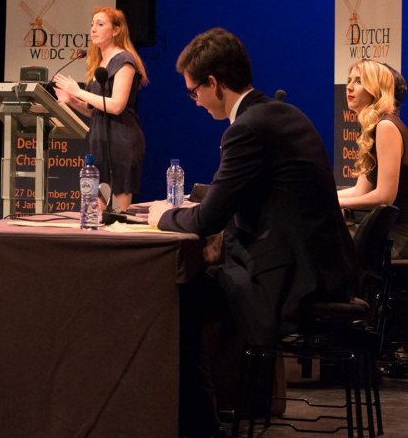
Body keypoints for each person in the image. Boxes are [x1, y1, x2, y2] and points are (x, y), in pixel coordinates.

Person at [148, 28, 355, 438]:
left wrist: (162, 216)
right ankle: (217, 414)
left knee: (175, 295)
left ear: (214, 82)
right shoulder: (284, 113)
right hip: (325, 268)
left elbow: (207, 220)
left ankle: (199, 427)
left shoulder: (245, 129)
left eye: (194, 92)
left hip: (293, 282)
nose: (196, 102)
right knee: (202, 280)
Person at [53, 7, 148, 212]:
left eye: (100, 24)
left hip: (121, 141)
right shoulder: (99, 63)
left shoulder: (125, 61)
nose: (93, 29)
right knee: (95, 212)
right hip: (99, 141)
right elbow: (96, 111)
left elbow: (115, 105)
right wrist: (72, 100)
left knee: (118, 213)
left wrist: (77, 91)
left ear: (116, 30)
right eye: (92, 24)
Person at [337, 59, 408, 258]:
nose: (349, 86)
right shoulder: (373, 127)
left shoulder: (386, 126)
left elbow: (385, 197)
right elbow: (361, 190)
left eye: (359, 81)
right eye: (349, 80)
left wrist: (338, 203)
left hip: (398, 237)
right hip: (385, 232)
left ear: (375, 89)